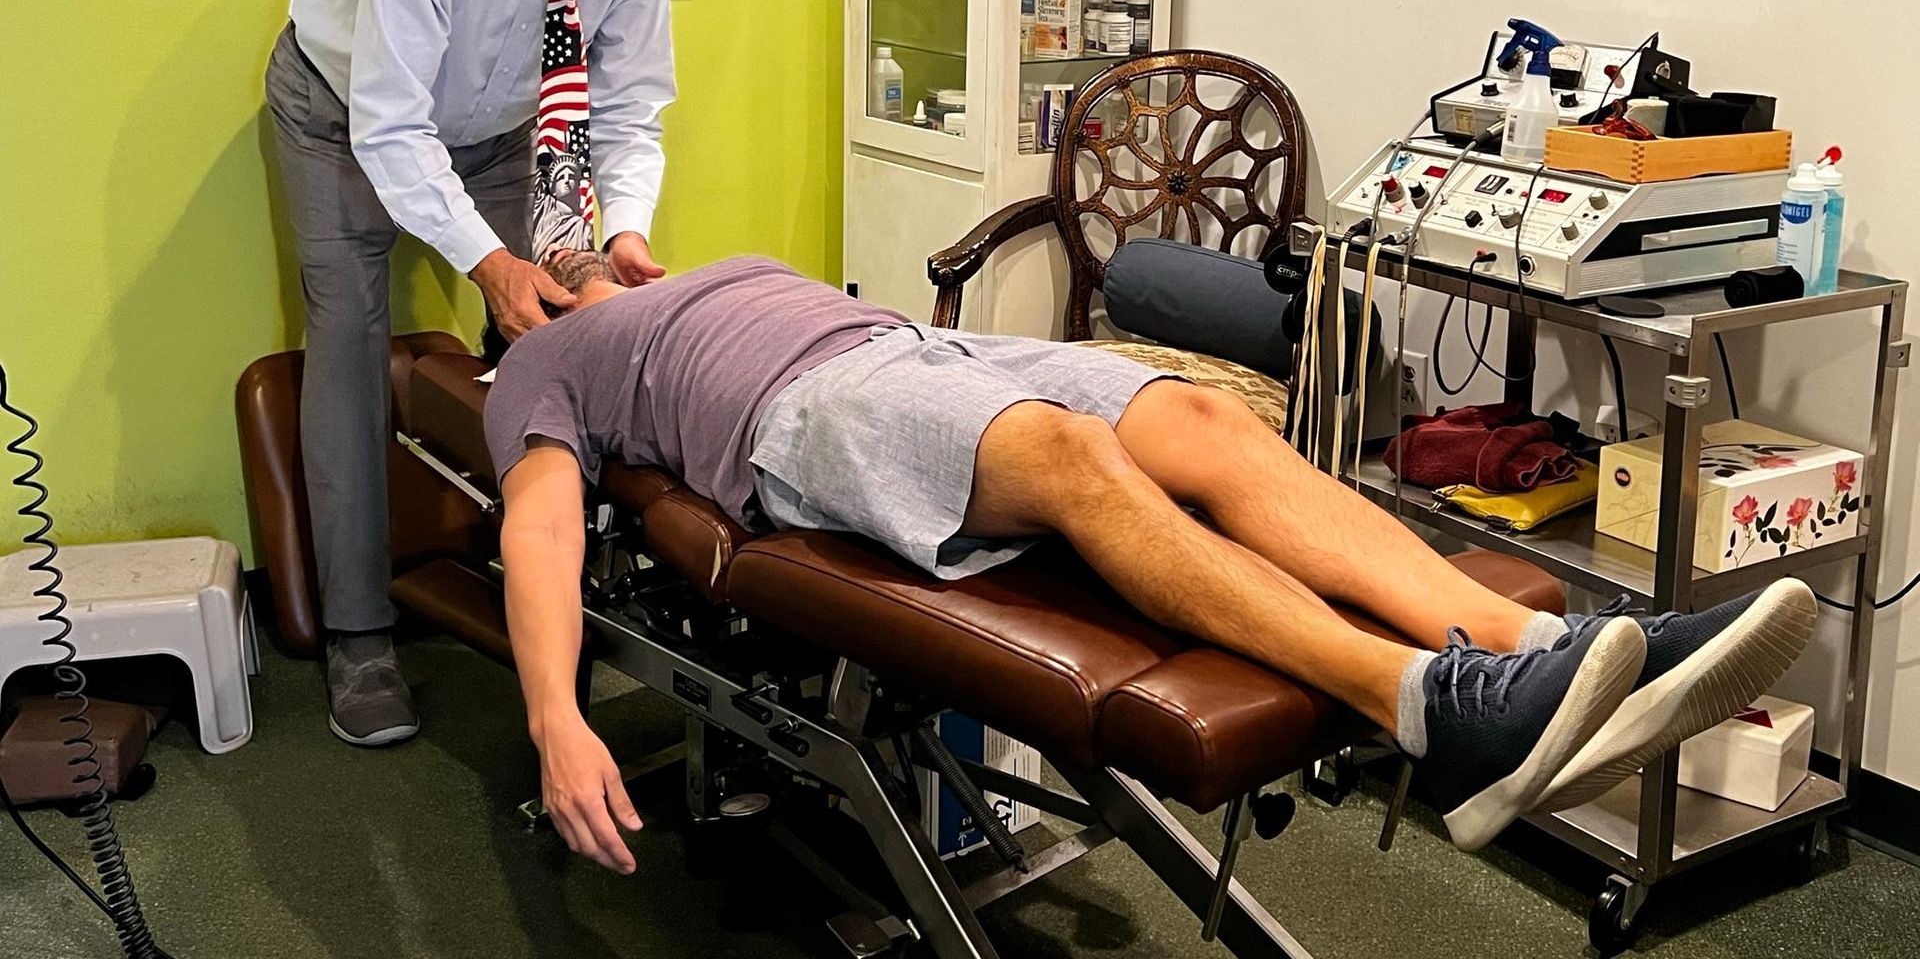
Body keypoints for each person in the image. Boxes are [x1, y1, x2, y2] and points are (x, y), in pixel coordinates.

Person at [486, 252, 1816, 873]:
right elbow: (541, 523)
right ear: (522, 293)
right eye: (550, 250)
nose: (579, 242)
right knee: (1068, 457)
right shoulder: (545, 364)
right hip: (801, 423)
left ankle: (1537, 651)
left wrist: (639, 262)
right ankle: (1426, 706)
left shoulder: (694, 266)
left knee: (1201, 417)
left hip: (914, 349)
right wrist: (557, 718)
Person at [266, 0, 689, 747]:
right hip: (340, 116)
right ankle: (359, 637)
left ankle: (545, 578)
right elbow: (392, 125)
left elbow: (624, 107)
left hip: (498, 130)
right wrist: (489, 260)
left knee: (542, 334)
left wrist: (622, 227)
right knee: (350, 343)